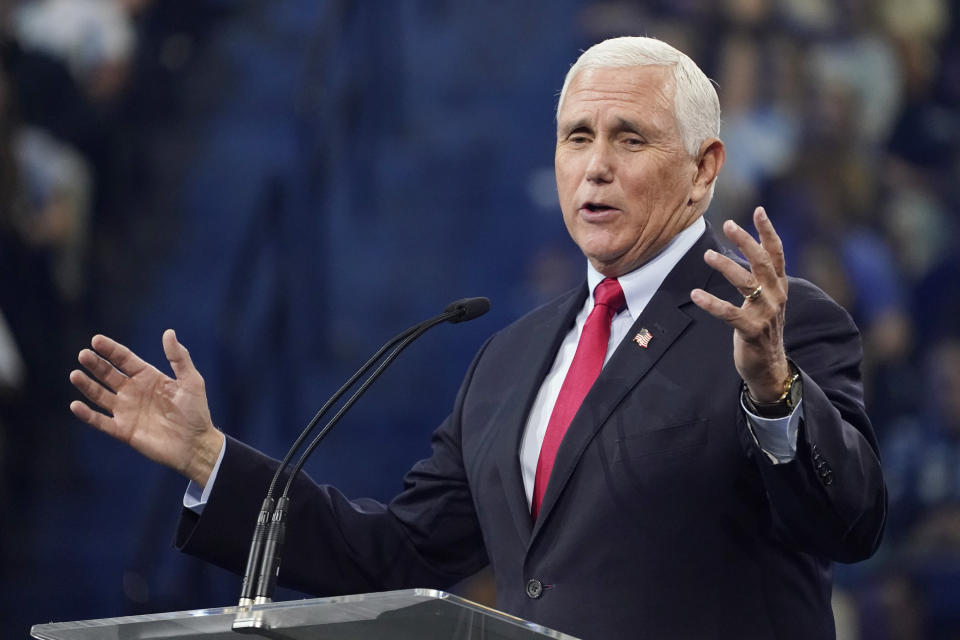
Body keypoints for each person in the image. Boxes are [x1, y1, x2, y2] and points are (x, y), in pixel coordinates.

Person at [69, 37, 886, 639]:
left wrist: (776, 394)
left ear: (705, 168)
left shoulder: (775, 328)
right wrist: (211, 458)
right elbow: (393, 558)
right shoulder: (512, 359)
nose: (594, 167)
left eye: (629, 138)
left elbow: (846, 526)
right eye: (576, 137)